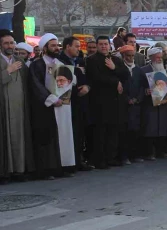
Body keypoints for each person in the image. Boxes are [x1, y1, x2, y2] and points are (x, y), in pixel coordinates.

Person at [85, 35, 129, 169]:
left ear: (110, 46)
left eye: (106, 44)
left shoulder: (115, 59)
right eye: (101, 44)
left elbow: (126, 74)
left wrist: (114, 68)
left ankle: (111, 157)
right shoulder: (91, 60)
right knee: (100, 132)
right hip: (99, 101)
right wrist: (116, 81)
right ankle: (100, 159)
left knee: (113, 131)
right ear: (97, 46)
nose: (104, 46)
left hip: (115, 102)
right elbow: (96, 78)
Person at [29, 34, 66, 179]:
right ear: (45, 48)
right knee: (45, 139)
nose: (56, 48)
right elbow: (36, 85)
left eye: (57, 45)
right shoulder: (36, 65)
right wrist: (51, 99)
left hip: (61, 106)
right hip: (44, 107)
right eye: (53, 45)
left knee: (58, 138)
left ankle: (59, 168)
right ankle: (44, 171)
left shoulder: (60, 62)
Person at [0, 29, 34, 181]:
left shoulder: (19, 61)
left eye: (12, 43)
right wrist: (8, 71)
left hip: (19, 108)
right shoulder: (11, 64)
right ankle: (5, 172)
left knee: (19, 138)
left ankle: (19, 170)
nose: (9, 46)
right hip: (3, 108)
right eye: (6, 43)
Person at [59, 36, 91, 171]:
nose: (79, 49)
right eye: (76, 46)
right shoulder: (59, 62)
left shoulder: (79, 62)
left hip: (79, 104)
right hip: (64, 105)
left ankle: (78, 161)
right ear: (67, 47)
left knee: (78, 134)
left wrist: (87, 87)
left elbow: (86, 81)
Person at [139, 47, 167, 160]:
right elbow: (138, 87)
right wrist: (145, 91)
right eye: (157, 57)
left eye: (160, 57)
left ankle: (161, 152)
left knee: (162, 127)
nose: (159, 59)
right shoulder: (143, 70)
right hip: (149, 104)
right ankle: (149, 153)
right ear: (150, 58)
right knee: (150, 127)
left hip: (163, 103)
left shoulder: (164, 69)